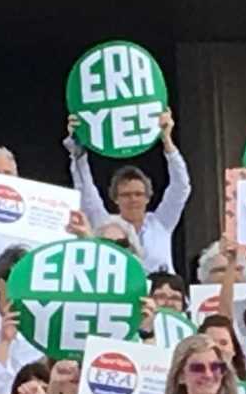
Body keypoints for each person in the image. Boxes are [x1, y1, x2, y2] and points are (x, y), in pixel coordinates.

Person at [66, 108, 191, 274]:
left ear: (148, 197)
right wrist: (78, 148)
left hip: (161, 295)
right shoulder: (107, 225)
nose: (133, 199)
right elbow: (86, 190)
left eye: (138, 194)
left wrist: (167, 141)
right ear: (115, 199)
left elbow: (181, 187)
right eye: (125, 195)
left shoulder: (161, 223)